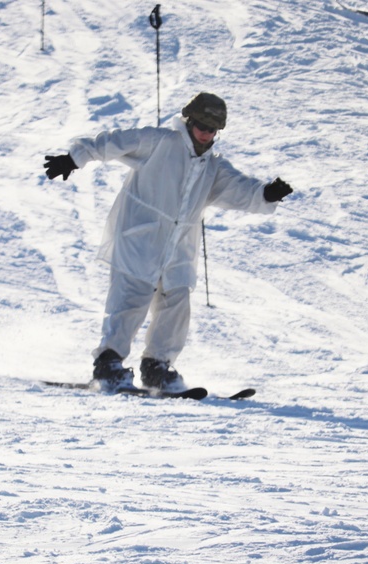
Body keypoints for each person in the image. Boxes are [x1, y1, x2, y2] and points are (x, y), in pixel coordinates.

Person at [43, 93, 293, 391]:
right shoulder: (160, 141)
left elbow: (241, 189)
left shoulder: (213, 167)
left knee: (176, 304)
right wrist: (74, 158)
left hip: (178, 250)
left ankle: (156, 367)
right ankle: (108, 364)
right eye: (201, 125)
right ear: (189, 120)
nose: (206, 133)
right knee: (130, 300)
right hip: (139, 238)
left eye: (212, 129)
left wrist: (266, 194)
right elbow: (114, 141)